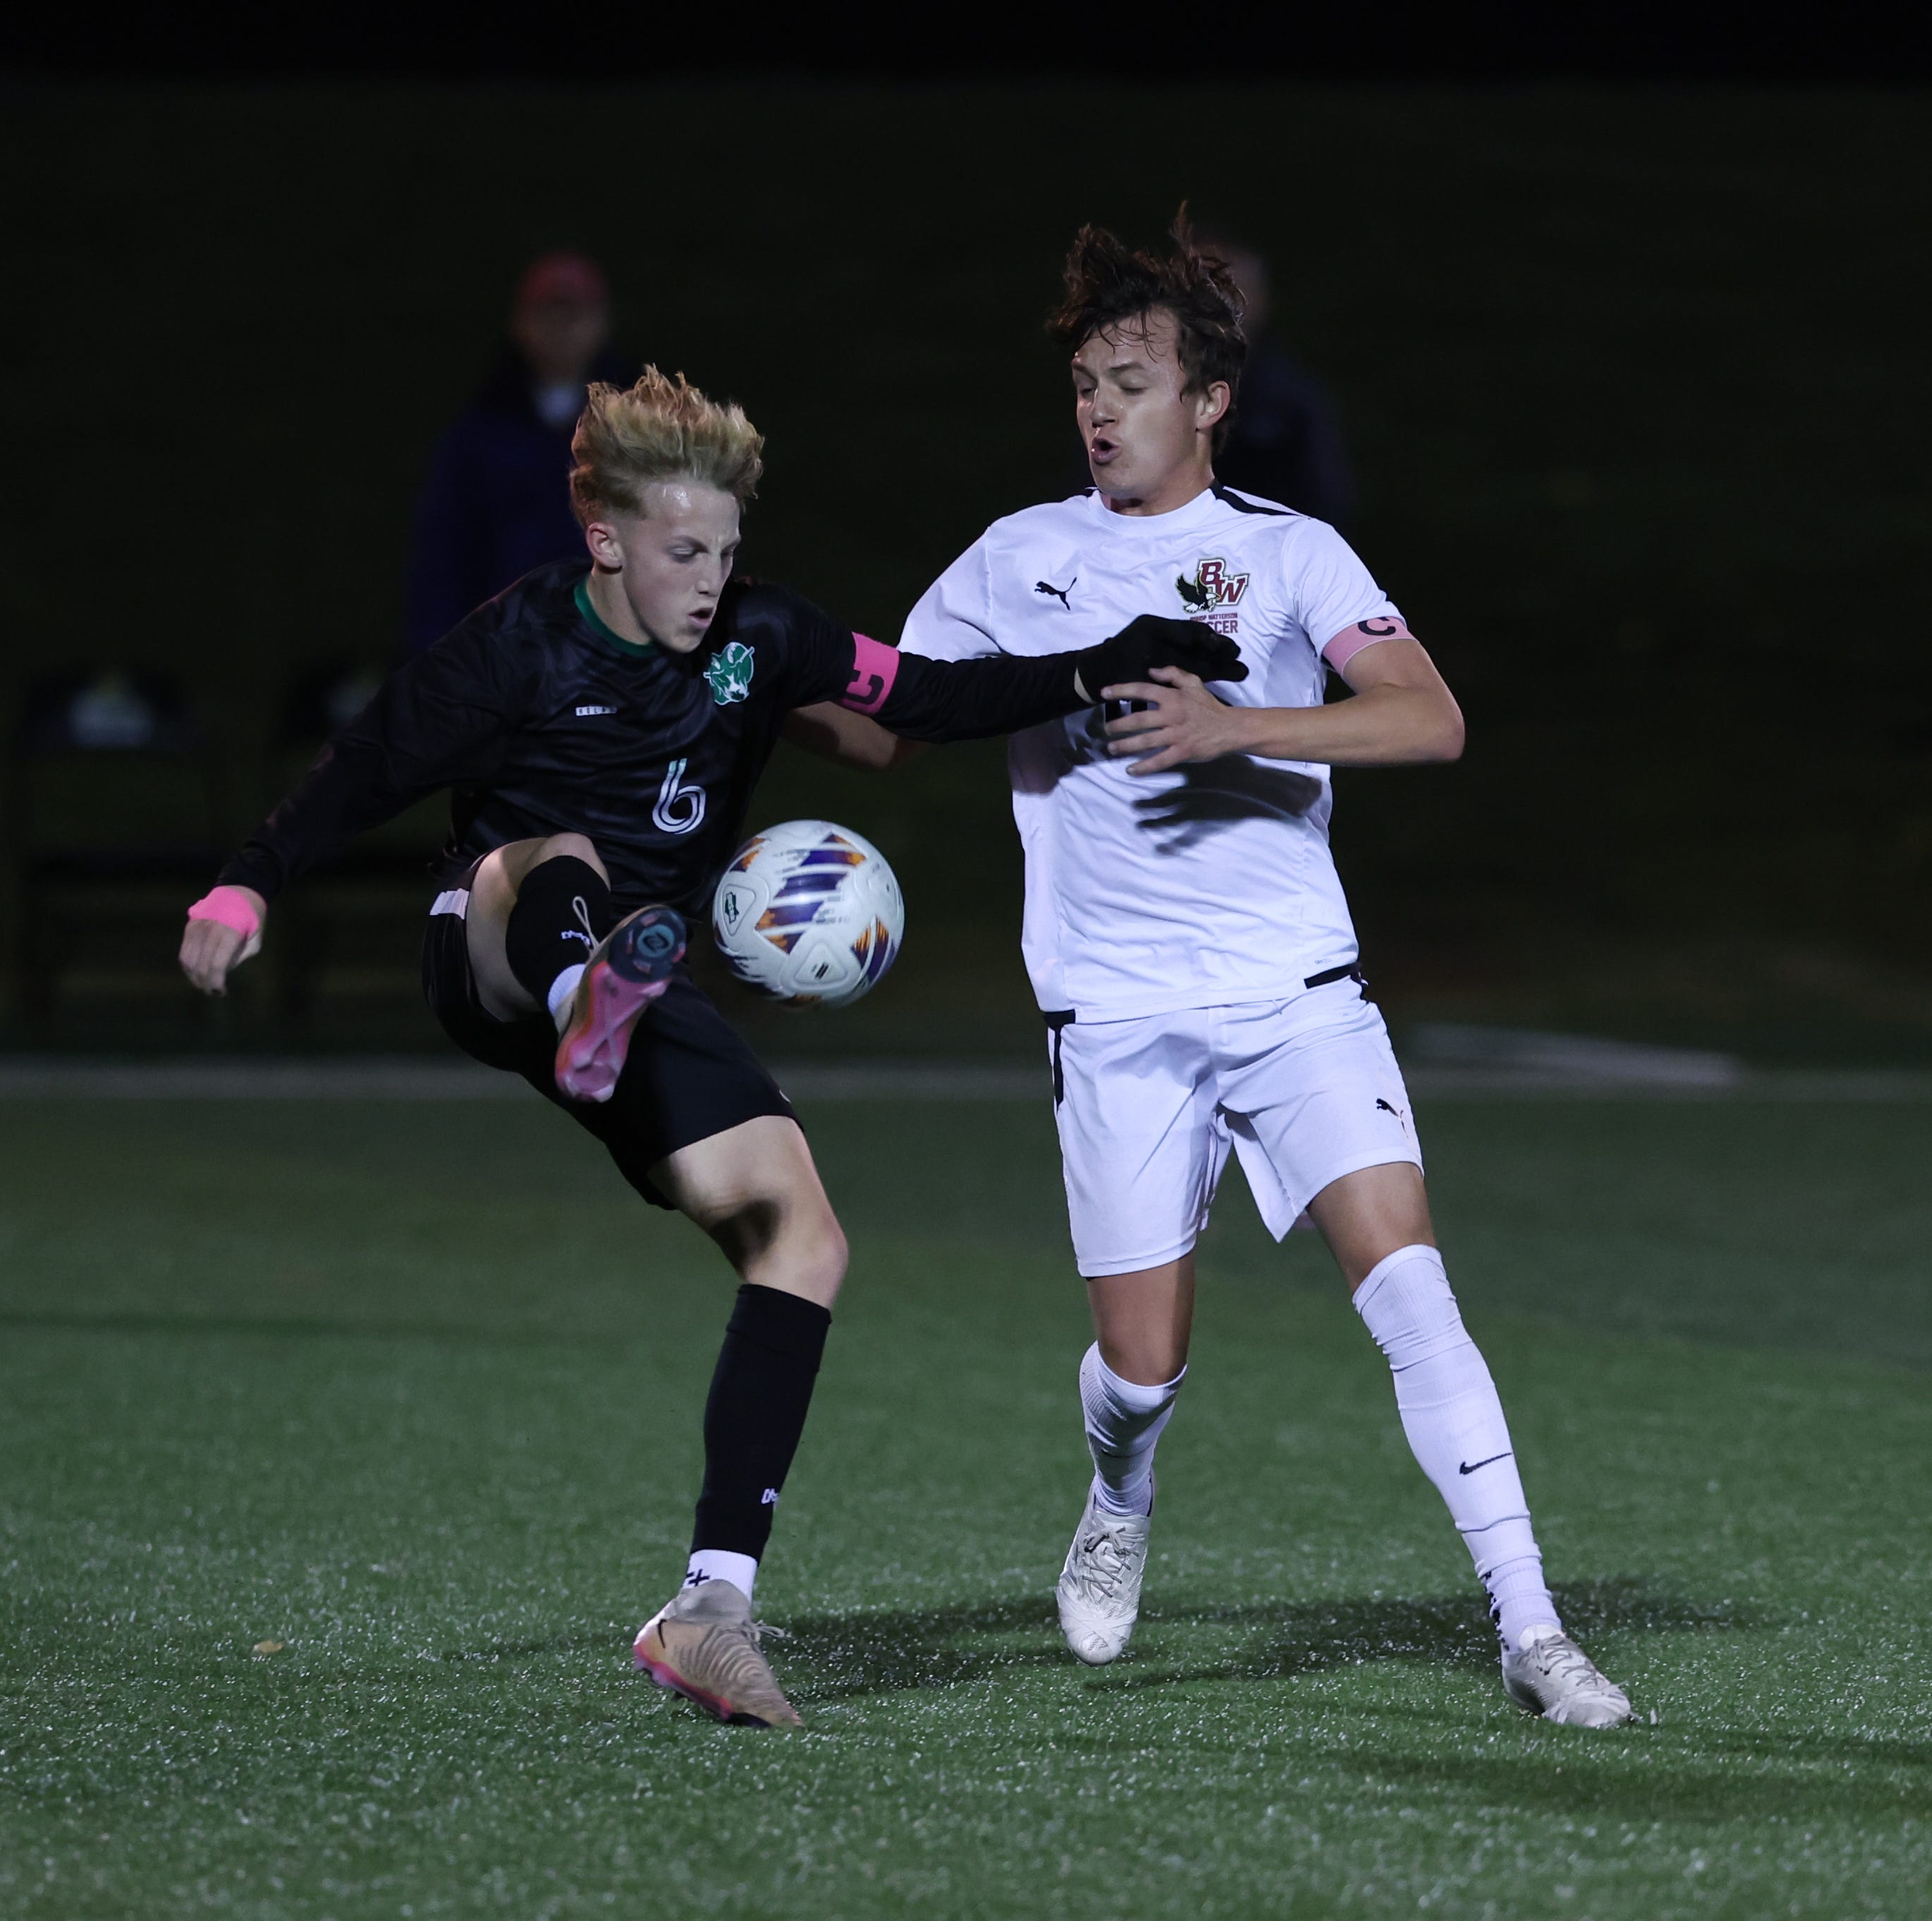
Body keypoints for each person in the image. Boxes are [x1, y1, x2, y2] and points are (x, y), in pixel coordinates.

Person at [178, 368, 1243, 1729]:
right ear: (606, 538)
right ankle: (584, 993)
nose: (710, 576)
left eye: (728, 550)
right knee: (549, 858)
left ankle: (709, 1609)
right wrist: (248, 881)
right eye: (686, 550)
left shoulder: (763, 637)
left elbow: (923, 695)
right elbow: (368, 763)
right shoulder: (515, 647)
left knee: (803, 1235)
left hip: (648, 990)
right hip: (493, 946)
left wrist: (1102, 663)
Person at [898, 222, 1633, 1729]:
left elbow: (1425, 718)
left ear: (1210, 399)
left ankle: (1531, 1625)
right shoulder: (1016, 558)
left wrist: (1235, 725)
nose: (1100, 409)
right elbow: (895, 706)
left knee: (1414, 1292)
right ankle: (1119, 1489)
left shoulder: (1291, 551)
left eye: (1133, 381)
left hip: (1293, 988)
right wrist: (755, 682)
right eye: (1087, 384)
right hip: (1112, 1014)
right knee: (1141, 1364)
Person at [405, 253, 634, 654]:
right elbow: (441, 560)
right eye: (548, 314)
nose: (561, 330)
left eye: (575, 315)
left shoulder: (635, 432)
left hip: (612, 651)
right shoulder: (477, 436)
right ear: (520, 323)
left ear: (602, 323)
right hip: (505, 652)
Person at [1200, 231, 1355, 525]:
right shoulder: (1152, 391)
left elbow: (1329, 499)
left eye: (1238, 291)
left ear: (1263, 299)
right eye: (1208, 292)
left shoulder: (1293, 398)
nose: (1224, 306)